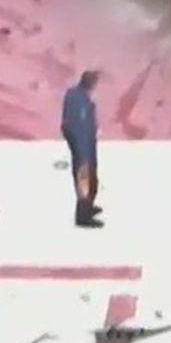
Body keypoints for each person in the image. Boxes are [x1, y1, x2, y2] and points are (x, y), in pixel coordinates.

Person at [61, 70, 103, 228]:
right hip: (83, 145)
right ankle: (83, 215)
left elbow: (66, 123)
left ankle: (88, 206)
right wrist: (82, 150)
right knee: (84, 177)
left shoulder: (74, 95)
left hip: (84, 143)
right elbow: (80, 126)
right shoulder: (83, 103)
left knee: (90, 177)